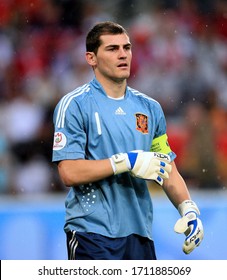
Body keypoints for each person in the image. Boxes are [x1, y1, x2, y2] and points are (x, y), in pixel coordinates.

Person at [52, 21, 204, 260]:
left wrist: (188, 208)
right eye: (112, 49)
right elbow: (69, 172)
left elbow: (165, 165)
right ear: (91, 58)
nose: (123, 54)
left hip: (140, 234)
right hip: (91, 233)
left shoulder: (150, 108)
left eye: (127, 47)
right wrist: (125, 162)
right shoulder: (74, 105)